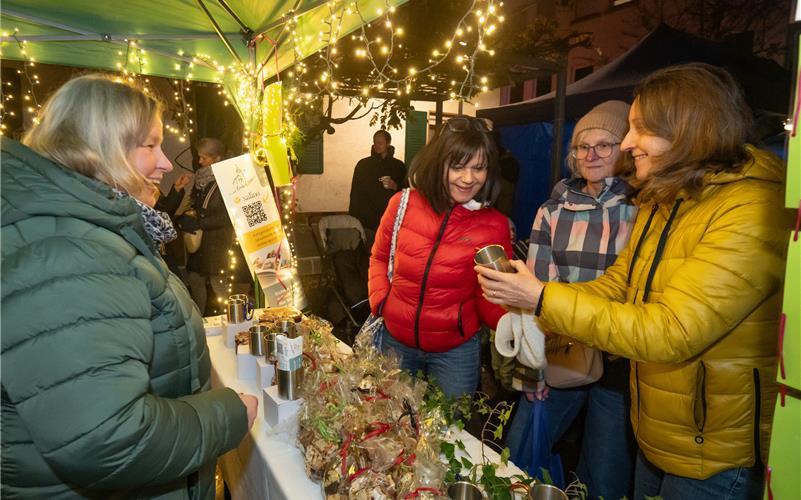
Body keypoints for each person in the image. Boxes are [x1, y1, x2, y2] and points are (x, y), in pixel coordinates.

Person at [476, 63, 788, 499]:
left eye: (637, 129)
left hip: (713, 452)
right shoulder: (667, 197)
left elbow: (671, 331)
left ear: (685, 130)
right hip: (659, 429)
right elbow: (620, 283)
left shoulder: (750, 208)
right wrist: (536, 296)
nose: (625, 143)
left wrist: (543, 298)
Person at [1, 74, 258, 498]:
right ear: (99, 147)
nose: (167, 163)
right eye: (150, 145)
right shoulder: (69, 252)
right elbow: (107, 438)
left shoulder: (83, 232)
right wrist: (226, 415)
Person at [503, 100, 638, 500]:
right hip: (565, 351)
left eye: (604, 144)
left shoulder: (644, 209)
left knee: (605, 474)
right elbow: (535, 292)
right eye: (582, 146)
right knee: (516, 455)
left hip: (623, 359)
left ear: (625, 150)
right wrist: (532, 369)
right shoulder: (553, 211)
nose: (591, 155)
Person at [368, 116, 512, 400]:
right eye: (457, 166)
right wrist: (381, 301)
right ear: (438, 163)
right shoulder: (402, 204)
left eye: (478, 168)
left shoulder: (494, 224)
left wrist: (512, 326)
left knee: (451, 432)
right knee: (388, 426)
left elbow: (490, 293)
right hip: (395, 340)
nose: (468, 178)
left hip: (454, 351)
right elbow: (379, 257)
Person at [177, 137, 251, 315]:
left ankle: (230, 319)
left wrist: (199, 222)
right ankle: (199, 318)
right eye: (199, 157)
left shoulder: (227, 180)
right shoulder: (200, 180)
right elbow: (195, 205)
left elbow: (227, 217)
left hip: (218, 242)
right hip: (201, 241)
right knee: (195, 280)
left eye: (204, 158)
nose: (199, 161)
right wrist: (187, 216)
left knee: (220, 286)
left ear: (217, 158)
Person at [349, 130, 407, 248]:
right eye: (375, 142)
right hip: (367, 221)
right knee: (368, 254)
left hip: (390, 220)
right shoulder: (363, 165)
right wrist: (353, 217)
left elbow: (406, 192)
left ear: (388, 143)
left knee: (388, 254)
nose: (377, 145)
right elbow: (355, 192)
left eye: (380, 142)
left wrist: (395, 186)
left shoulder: (399, 166)